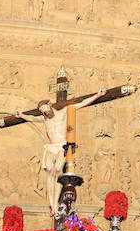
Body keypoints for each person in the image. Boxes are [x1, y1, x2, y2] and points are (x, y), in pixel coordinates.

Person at [8, 87, 106, 217]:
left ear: (50, 105)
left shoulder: (64, 112)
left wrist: (97, 95)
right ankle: (52, 205)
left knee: (58, 171)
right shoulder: (44, 119)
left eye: (46, 109)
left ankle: (55, 202)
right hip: (51, 147)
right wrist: (21, 115)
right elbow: (31, 118)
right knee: (50, 172)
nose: (46, 113)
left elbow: (81, 103)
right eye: (43, 112)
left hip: (62, 146)